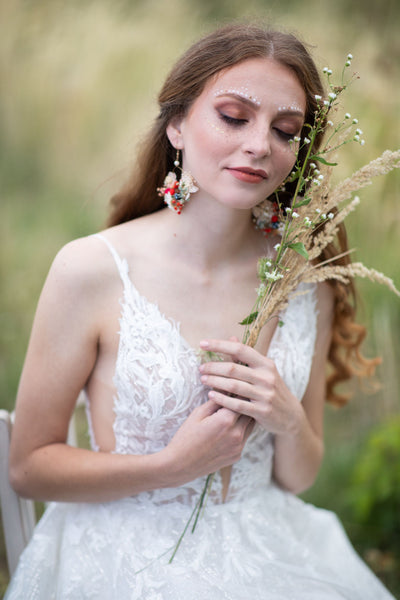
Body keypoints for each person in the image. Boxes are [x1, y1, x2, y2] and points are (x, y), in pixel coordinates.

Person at [5, 23, 395, 599]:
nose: (260, 144)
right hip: (128, 555)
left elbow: (297, 476)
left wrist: (285, 415)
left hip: (270, 549)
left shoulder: (304, 276)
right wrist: (169, 467)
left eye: (285, 130)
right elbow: (28, 467)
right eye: (234, 117)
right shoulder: (90, 270)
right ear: (178, 124)